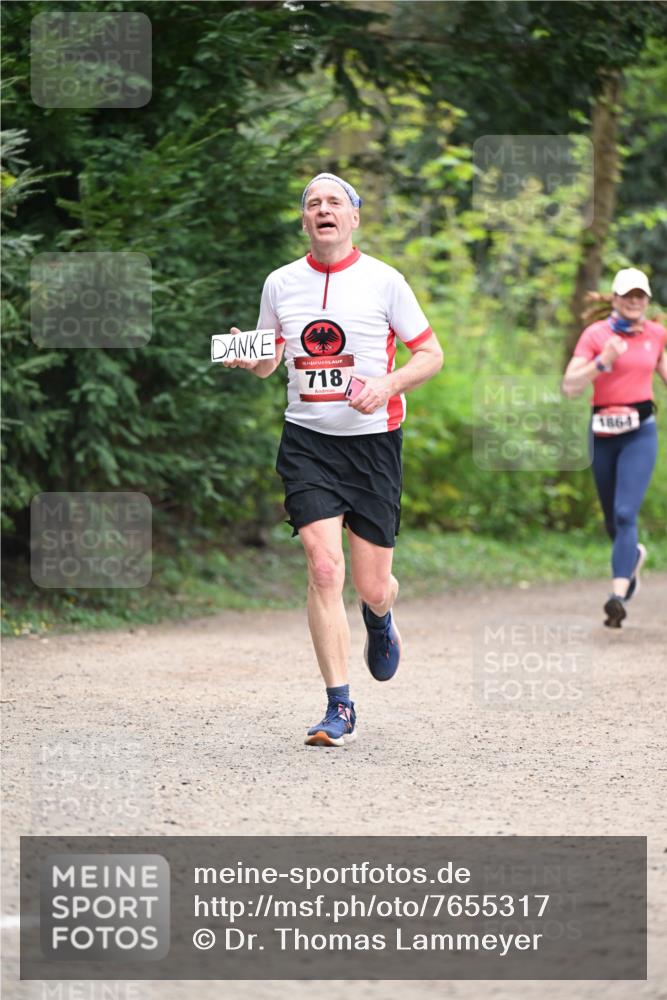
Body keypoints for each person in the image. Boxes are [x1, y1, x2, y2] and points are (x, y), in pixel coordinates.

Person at [224, 172, 443, 744]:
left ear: (353, 218)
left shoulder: (385, 281)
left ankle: (379, 617)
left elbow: (430, 354)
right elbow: (273, 356)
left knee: (373, 585)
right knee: (323, 568)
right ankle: (339, 706)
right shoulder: (280, 283)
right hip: (308, 443)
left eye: (335, 202)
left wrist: (388, 384)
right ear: (304, 221)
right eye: (313, 203)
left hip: (372, 445)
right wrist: (251, 358)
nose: (323, 209)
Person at [562, 267, 667, 628]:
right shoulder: (596, 335)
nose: (635, 301)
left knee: (625, 514)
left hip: (640, 433)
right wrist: (602, 360)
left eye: (641, 296)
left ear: (647, 300)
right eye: (628, 295)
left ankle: (618, 596)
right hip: (602, 434)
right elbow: (570, 386)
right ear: (616, 298)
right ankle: (633, 557)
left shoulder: (657, 335)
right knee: (612, 520)